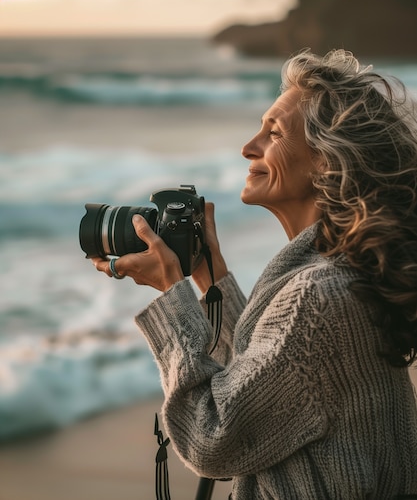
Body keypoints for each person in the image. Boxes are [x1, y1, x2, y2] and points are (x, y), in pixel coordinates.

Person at [92, 49, 417, 499]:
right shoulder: (341, 274)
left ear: (326, 161)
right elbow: (260, 382)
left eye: (274, 132)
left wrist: (172, 293)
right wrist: (210, 276)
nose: (249, 147)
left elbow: (213, 438)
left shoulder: (318, 295)